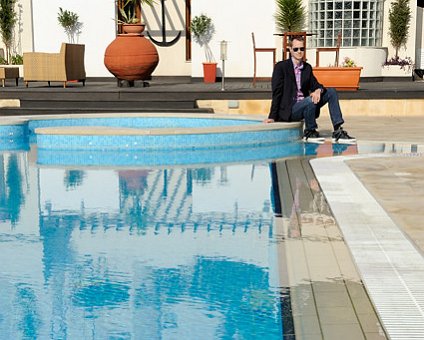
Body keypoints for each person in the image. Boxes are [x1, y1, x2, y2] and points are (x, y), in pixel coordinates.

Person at [264, 36, 356, 144]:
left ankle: (338, 130)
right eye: (296, 49)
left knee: (331, 92)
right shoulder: (281, 67)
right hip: (291, 110)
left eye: (302, 49)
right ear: (290, 50)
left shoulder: (307, 68)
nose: (299, 52)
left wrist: (318, 90)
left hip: (307, 106)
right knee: (310, 99)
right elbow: (277, 93)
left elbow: (317, 85)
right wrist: (272, 116)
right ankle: (310, 131)